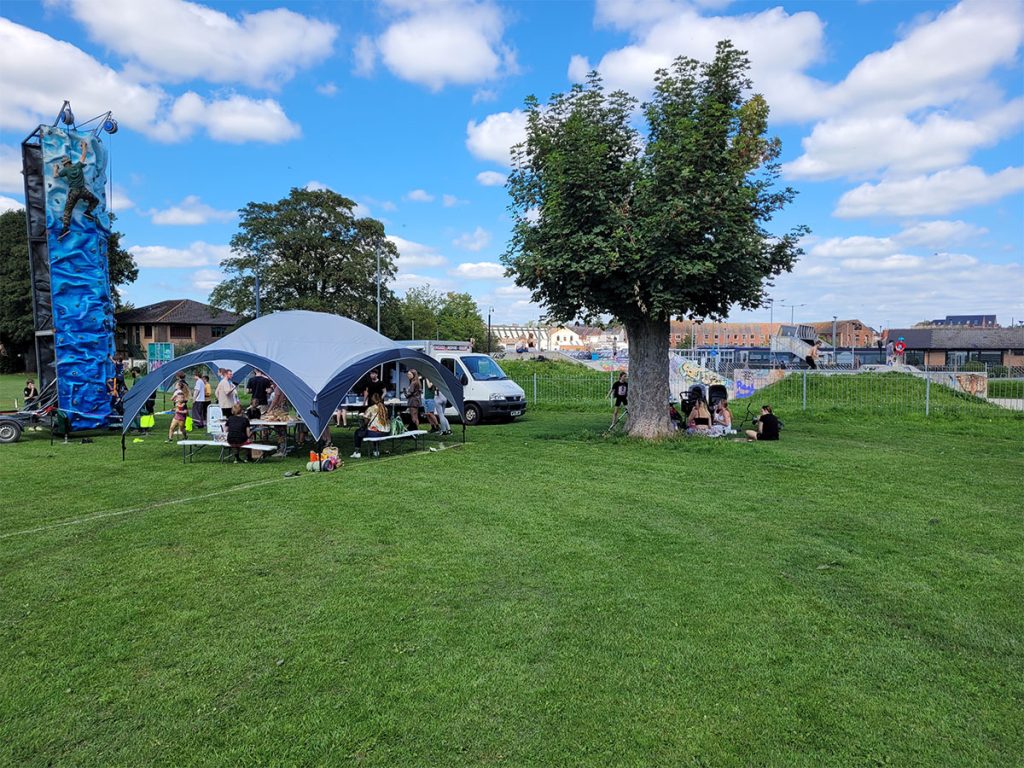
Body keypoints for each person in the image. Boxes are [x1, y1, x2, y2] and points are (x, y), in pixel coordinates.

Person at [53, 139, 99, 239]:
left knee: (68, 210)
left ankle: (65, 228)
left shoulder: (65, 170)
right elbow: (83, 156)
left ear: (64, 164)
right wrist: (84, 146)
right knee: (95, 200)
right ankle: (88, 212)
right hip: (83, 191)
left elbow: (55, 175)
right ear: (70, 162)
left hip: (73, 192)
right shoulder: (78, 166)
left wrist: (55, 168)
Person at [351, 393, 389, 459]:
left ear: (372, 400)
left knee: (358, 432)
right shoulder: (385, 408)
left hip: (377, 433)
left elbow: (366, 421)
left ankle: (357, 452)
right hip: (386, 432)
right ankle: (376, 451)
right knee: (373, 430)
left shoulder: (371, 408)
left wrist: (364, 423)